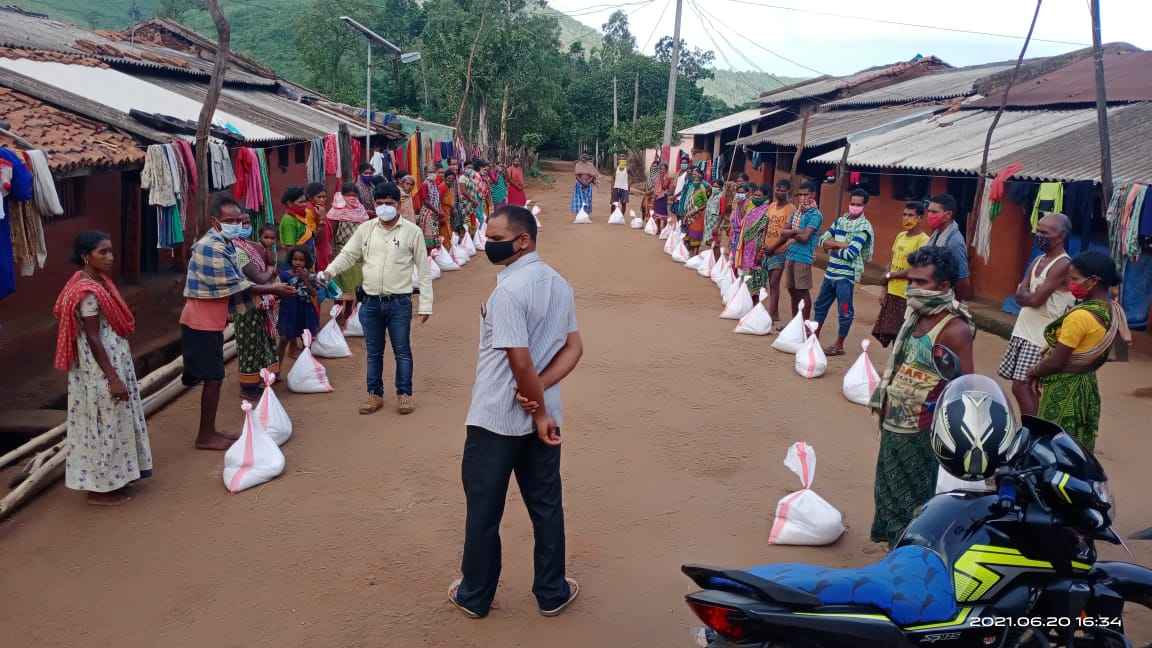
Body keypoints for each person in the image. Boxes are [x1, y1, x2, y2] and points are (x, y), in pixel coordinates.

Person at [449, 205, 583, 619]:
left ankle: (475, 595)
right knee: (546, 505)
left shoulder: (508, 292)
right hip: (544, 415)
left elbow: (519, 361)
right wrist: (541, 394)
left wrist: (535, 407)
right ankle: (552, 591)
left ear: (522, 240)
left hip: (496, 417)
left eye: (495, 238)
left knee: (484, 509)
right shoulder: (559, 283)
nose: (487, 244)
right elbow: (574, 347)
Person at [868, 245, 975, 546]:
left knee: (914, 496)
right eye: (911, 281)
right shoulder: (915, 315)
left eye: (921, 282)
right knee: (888, 488)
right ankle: (894, 548)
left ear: (943, 285)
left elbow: (964, 385)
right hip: (893, 421)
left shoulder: (954, 329)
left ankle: (909, 553)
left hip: (922, 428)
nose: (913, 288)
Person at [182, 196, 294, 450]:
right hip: (201, 321)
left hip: (211, 319)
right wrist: (274, 289)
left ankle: (209, 431)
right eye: (229, 221)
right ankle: (205, 436)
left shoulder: (227, 243)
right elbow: (236, 285)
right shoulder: (211, 246)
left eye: (238, 220)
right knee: (213, 378)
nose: (235, 225)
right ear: (215, 222)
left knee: (213, 377)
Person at [53, 231, 152, 506]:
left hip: (110, 359)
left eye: (111, 251)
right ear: (86, 256)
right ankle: (100, 489)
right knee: (103, 421)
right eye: (102, 252)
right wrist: (112, 378)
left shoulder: (97, 282)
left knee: (113, 419)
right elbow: (93, 337)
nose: (110, 257)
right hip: (99, 366)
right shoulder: (87, 291)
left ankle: (117, 477)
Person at [318, 182, 433, 416]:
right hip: (370, 302)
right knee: (373, 352)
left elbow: (423, 269)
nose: (384, 207)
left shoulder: (412, 232)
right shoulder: (366, 229)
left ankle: (404, 394)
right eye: (379, 203)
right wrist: (329, 272)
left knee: (402, 351)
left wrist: (426, 305)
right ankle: (374, 395)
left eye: (389, 203)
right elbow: (348, 254)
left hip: (399, 302)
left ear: (398, 205)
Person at [1028, 251, 1129, 454]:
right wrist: (1086, 358)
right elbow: (1119, 353)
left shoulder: (1080, 316)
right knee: (1078, 447)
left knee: (1054, 447)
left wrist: (1033, 372)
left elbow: (1056, 362)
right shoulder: (1114, 311)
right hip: (1087, 385)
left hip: (1065, 388)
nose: (1070, 284)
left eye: (1074, 279)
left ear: (1093, 281)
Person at [998, 213, 1074, 416]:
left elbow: (1033, 299)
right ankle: (1035, 426)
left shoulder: (1063, 264)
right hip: (1024, 331)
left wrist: (1026, 295)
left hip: (1041, 337)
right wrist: (1027, 296)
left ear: (1061, 236)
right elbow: (1020, 294)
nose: (1039, 236)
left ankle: (1033, 429)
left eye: (1045, 233)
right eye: (1038, 231)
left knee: (1022, 386)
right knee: (1025, 386)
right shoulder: (1039, 260)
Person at [813, 188, 876, 356]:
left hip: (846, 277)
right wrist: (841, 245)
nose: (854, 206)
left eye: (858, 204)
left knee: (845, 311)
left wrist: (832, 246)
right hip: (830, 273)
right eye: (852, 203)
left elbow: (851, 254)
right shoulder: (840, 221)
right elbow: (821, 241)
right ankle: (814, 337)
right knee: (820, 306)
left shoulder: (864, 227)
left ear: (864, 206)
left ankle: (839, 345)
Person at [873, 202, 930, 347]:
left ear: (920, 218)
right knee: (891, 334)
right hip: (892, 293)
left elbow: (917, 270)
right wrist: (884, 289)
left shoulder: (924, 240)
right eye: (904, 215)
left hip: (907, 296)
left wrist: (891, 276)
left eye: (911, 215)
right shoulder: (900, 236)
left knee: (903, 337)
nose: (906, 218)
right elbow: (891, 262)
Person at [233, 223, 280, 398]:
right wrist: (271, 273)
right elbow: (259, 277)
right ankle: (248, 387)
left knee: (259, 341)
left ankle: (258, 380)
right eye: (240, 222)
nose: (245, 226)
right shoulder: (238, 250)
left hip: (258, 302)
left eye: (247, 222)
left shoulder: (250, 246)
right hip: (245, 304)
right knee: (249, 344)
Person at [326, 182, 371, 327]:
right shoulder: (336, 210)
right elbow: (331, 232)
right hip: (340, 252)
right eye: (348, 195)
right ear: (342, 195)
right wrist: (331, 250)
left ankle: (348, 316)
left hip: (357, 254)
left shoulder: (360, 210)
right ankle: (337, 315)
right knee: (338, 286)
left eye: (354, 195)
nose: (352, 198)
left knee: (354, 285)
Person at [779, 180, 824, 320]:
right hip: (791, 255)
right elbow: (783, 232)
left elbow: (805, 238)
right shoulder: (797, 212)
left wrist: (791, 232)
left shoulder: (815, 215)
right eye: (800, 195)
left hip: (803, 258)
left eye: (806, 194)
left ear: (813, 195)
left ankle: (803, 324)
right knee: (792, 291)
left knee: (802, 292)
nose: (803, 197)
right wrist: (797, 231)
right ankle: (795, 323)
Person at [754, 180, 796, 322]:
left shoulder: (791, 209)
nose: (779, 192)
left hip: (779, 251)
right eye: (777, 189)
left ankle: (772, 314)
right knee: (763, 281)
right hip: (766, 248)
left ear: (789, 192)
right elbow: (765, 226)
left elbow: (786, 232)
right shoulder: (771, 206)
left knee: (774, 282)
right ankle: (765, 311)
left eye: (783, 190)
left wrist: (773, 247)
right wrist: (762, 244)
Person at [276, 246, 321, 371]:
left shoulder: (311, 276)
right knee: (284, 339)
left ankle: (307, 371)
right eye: (295, 259)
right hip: (288, 311)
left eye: (301, 260)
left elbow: (314, 293)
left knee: (306, 340)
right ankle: (276, 370)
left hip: (305, 312)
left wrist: (305, 279)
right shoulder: (284, 275)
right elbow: (278, 292)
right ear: (291, 260)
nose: (298, 263)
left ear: (306, 262)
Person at [924, 193, 972, 301]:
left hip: (944, 300)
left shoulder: (954, 242)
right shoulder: (937, 234)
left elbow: (963, 280)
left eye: (934, 212)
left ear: (948, 214)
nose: (929, 215)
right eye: (929, 211)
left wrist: (955, 304)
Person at [735, 183, 771, 294]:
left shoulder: (767, 211)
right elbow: (743, 223)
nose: (756, 197)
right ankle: (746, 295)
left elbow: (765, 231)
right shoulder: (752, 209)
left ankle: (755, 297)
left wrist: (761, 250)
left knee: (756, 272)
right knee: (747, 271)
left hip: (757, 247)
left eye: (759, 196)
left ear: (765, 197)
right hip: (747, 246)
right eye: (754, 195)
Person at [279, 186, 314, 267]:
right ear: (289, 203)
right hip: (296, 265)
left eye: (305, 201)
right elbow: (290, 248)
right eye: (301, 202)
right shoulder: (289, 220)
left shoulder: (302, 216)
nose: (305, 204)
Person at [679, 167, 711, 255]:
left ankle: (695, 254)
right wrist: (686, 212)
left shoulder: (703, 189)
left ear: (701, 178)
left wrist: (696, 210)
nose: (695, 180)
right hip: (689, 214)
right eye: (694, 178)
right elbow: (687, 199)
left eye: (697, 178)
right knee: (688, 234)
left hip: (698, 215)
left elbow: (706, 203)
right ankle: (689, 253)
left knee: (695, 235)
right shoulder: (691, 187)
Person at [305, 182, 330, 270]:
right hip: (316, 252)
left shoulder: (320, 209)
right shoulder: (309, 212)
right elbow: (313, 237)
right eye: (319, 197)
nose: (322, 200)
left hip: (324, 250)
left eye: (324, 197)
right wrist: (321, 219)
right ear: (310, 198)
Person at [417, 169, 443, 253]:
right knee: (428, 233)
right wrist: (437, 211)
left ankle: (433, 254)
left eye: (434, 172)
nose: (433, 174)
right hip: (427, 212)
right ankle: (428, 254)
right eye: (430, 172)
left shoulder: (434, 184)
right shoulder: (425, 184)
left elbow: (438, 199)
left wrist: (439, 210)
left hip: (434, 212)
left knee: (434, 232)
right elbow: (425, 201)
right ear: (426, 174)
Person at [458, 160, 485, 235]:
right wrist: (473, 200)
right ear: (464, 168)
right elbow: (463, 191)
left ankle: (473, 237)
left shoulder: (472, 177)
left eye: (471, 168)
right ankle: (467, 238)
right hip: (465, 203)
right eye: (468, 167)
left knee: (473, 221)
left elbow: (476, 190)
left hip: (472, 203)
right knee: (466, 222)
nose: (470, 169)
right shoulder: (462, 177)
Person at [651, 162, 672, 233]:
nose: (662, 170)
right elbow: (655, 187)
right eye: (661, 169)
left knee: (664, 215)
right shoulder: (657, 178)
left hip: (663, 198)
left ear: (666, 170)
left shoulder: (668, 178)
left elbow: (670, 188)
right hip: (657, 197)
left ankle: (664, 230)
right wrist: (654, 196)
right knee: (657, 214)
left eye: (663, 169)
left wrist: (666, 192)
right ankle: (658, 229)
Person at [441, 168, 459, 246]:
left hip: (448, 213)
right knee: (444, 232)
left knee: (448, 231)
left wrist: (453, 209)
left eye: (452, 179)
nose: (450, 180)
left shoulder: (450, 187)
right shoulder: (442, 187)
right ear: (445, 178)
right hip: (442, 212)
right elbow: (438, 201)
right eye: (449, 178)